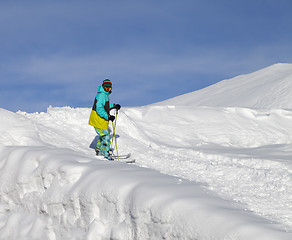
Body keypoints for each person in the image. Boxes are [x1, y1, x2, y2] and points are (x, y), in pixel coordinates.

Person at [88, 79, 121, 160]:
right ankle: (103, 154)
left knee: (102, 135)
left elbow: (104, 106)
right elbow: (99, 108)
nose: (107, 90)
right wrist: (108, 116)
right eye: (106, 88)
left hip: (100, 120)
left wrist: (113, 106)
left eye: (109, 88)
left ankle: (99, 150)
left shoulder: (104, 95)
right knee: (106, 136)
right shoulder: (102, 95)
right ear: (103, 87)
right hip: (98, 119)